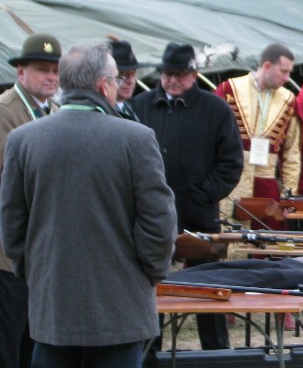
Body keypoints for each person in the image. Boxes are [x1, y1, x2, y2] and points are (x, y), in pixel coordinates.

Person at [0, 41, 177, 368]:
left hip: (53, 307)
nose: (119, 85)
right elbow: (159, 223)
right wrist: (149, 274)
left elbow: (12, 226)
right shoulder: (136, 139)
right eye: (116, 78)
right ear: (102, 85)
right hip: (120, 310)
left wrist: (36, 274)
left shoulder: (23, 140)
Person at [131, 42, 243, 349]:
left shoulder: (215, 109)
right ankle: (149, 352)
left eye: (180, 74)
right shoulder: (139, 106)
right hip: (150, 219)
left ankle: (217, 353)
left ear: (194, 74)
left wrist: (204, 194)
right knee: (150, 292)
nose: (172, 80)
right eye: (167, 74)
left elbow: (231, 162)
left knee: (209, 291)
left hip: (199, 217)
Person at [0, 33, 61, 368]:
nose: (51, 76)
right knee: (10, 343)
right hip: (9, 254)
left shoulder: (52, 109)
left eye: (55, 70)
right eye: (42, 69)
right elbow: (12, 179)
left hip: (40, 251)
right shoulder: (6, 111)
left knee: (34, 342)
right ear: (20, 72)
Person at [214, 44, 303, 229]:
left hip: (267, 188)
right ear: (267, 66)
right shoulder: (229, 89)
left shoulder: (288, 100)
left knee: (267, 246)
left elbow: (292, 152)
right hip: (230, 183)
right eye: (283, 71)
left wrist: (289, 195)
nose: (287, 78)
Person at [109, 39, 140, 122]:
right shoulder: (102, 111)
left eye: (133, 73)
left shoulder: (127, 107)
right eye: (121, 74)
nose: (130, 81)